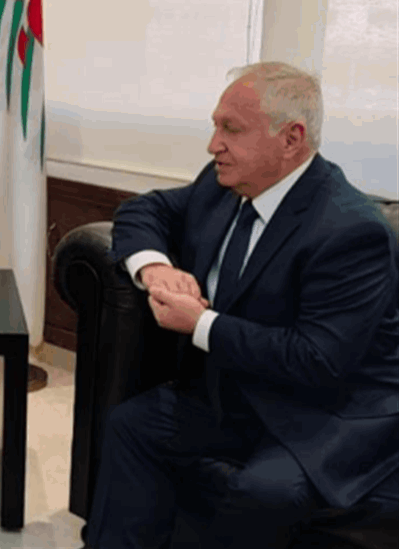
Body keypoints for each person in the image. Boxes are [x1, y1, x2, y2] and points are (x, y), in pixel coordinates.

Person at [87, 61, 399, 548]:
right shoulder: (222, 185)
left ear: (291, 139)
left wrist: (200, 324)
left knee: (265, 491)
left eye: (231, 129)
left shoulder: (350, 230)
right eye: (215, 126)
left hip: (321, 411)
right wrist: (155, 268)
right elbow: (144, 209)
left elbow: (318, 360)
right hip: (237, 389)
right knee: (133, 425)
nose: (213, 145)